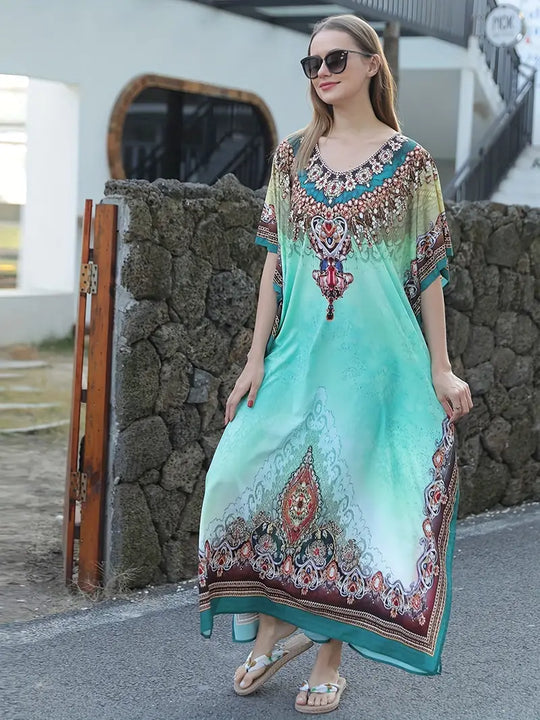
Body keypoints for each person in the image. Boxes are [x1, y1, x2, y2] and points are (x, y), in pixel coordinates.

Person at [197, 13, 472, 714]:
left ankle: (326, 657)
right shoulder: (291, 157)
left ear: (373, 63)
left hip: (376, 363)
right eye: (312, 63)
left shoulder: (412, 164)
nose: (321, 72)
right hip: (296, 352)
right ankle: (272, 629)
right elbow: (274, 263)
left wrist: (441, 367)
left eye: (335, 59)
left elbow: (429, 272)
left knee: (349, 501)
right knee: (240, 477)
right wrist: (254, 358)